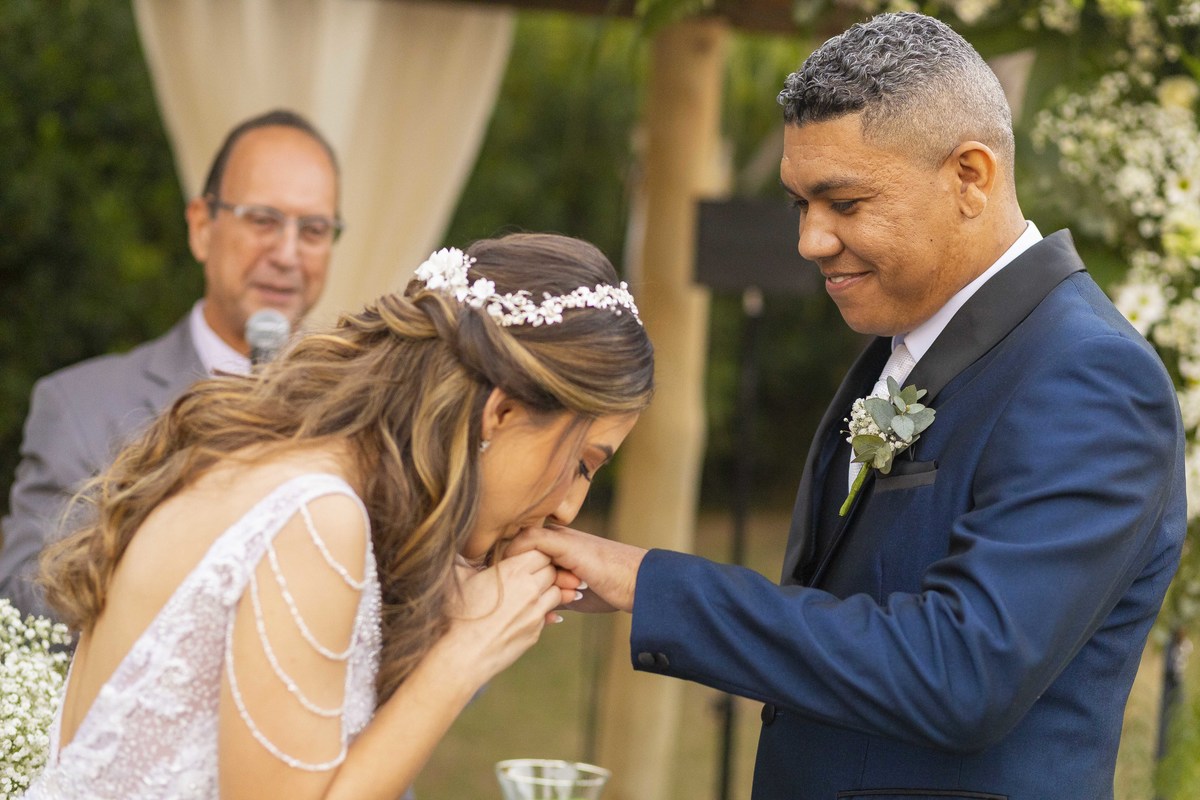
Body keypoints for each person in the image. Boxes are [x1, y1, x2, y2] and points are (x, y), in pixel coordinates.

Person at [513, 12, 1186, 798]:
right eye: (801, 204)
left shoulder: (1090, 375)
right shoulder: (906, 343)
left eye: (845, 202)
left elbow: (962, 672)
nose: (810, 240)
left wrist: (650, 584)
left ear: (971, 176)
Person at [26, 232, 653, 799]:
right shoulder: (315, 515)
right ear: (502, 412)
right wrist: (465, 654)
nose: (569, 508)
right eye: (583, 464)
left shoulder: (296, 465)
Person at [0, 109, 342, 620]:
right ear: (202, 227)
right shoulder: (78, 406)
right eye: (263, 220)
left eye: (313, 230)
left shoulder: (362, 409)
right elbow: (26, 607)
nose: (287, 254)